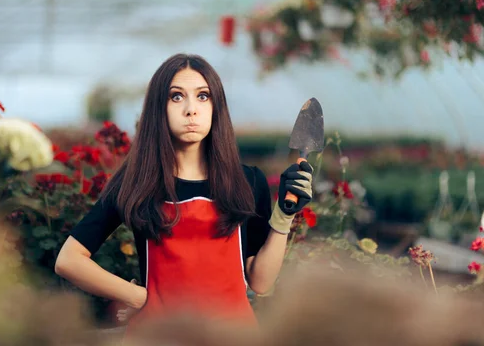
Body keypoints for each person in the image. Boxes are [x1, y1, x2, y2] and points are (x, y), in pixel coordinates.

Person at [54, 53, 313, 336]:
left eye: (203, 96)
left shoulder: (248, 181)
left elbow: (261, 282)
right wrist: (138, 296)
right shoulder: (137, 182)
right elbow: (69, 260)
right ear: (158, 108)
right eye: (176, 97)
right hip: (161, 337)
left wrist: (284, 215)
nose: (191, 109)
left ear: (217, 107)